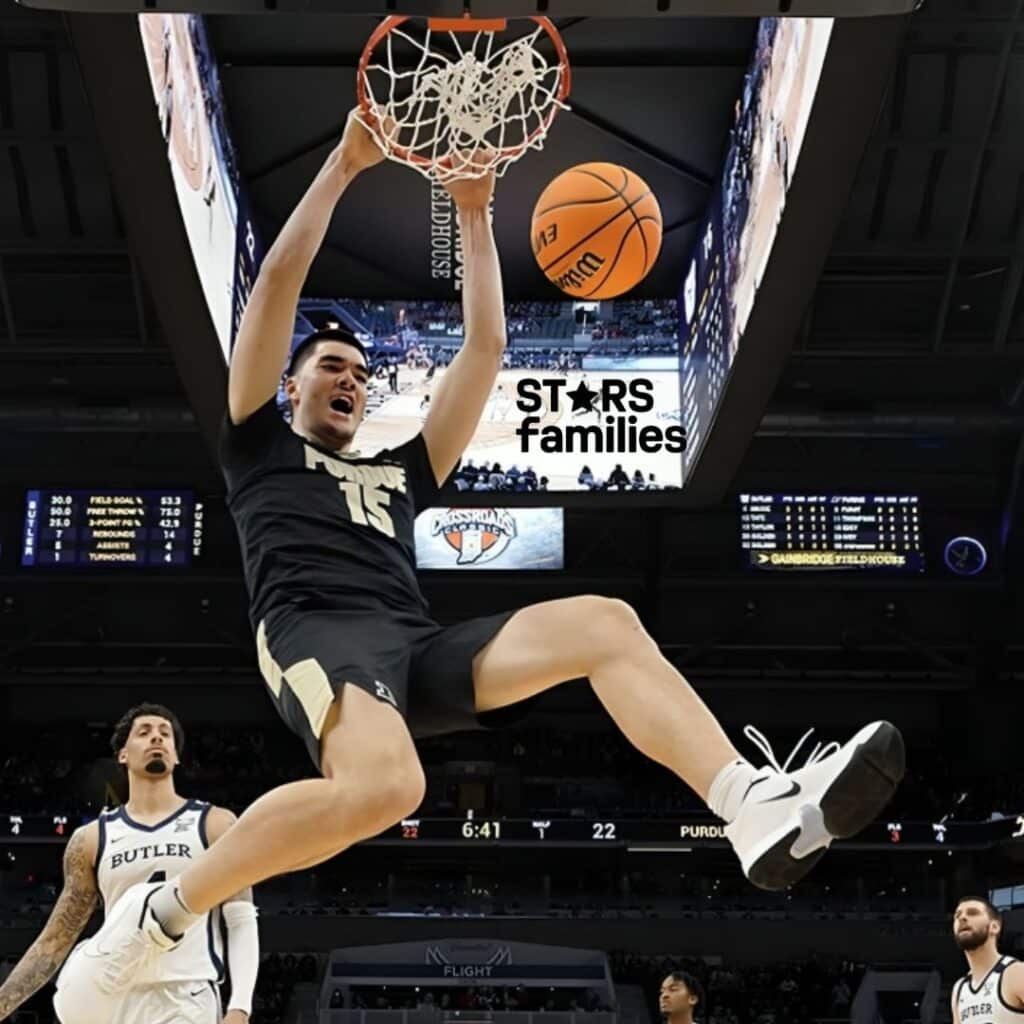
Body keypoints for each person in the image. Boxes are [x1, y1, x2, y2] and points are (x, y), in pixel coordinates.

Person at [58, 108, 904, 1008]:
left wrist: (472, 211)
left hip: (411, 644)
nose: (349, 379)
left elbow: (487, 347)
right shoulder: (255, 443)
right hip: (315, 633)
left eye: (360, 374)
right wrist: (345, 164)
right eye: (331, 367)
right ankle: (163, 916)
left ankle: (747, 805)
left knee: (603, 622)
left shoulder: (399, 469)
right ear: (290, 383)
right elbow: (276, 281)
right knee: (389, 785)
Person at [0, 703, 257, 1024]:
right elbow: (56, 938)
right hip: (112, 994)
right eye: (144, 732)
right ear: (123, 755)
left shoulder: (214, 823)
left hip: (187, 995)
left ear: (176, 756)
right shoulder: (91, 838)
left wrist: (240, 1007)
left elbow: (241, 918)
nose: (156, 739)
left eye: (165, 734)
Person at [951, 896, 1024, 1023]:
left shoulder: (1016, 973)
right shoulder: (959, 989)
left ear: (994, 927)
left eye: (973, 913)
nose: (962, 918)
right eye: (957, 916)